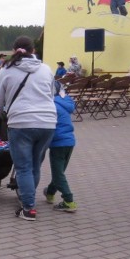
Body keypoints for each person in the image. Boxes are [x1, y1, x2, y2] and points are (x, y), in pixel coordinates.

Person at [0, 36, 56, 221]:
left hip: (21, 122)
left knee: (23, 167)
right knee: (35, 165)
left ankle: (28, 207)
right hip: (47, 122)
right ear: (33, 51)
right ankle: (27, 197)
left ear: (14, 50)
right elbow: (50, 94)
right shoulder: (46, 69)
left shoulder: (7, 70)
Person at [43, 81, 77, 213]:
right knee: (59, 172)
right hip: (69, 141)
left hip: (58, 143)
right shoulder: (63, 102)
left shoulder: (51, 105)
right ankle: (50, 193)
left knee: (58, 175)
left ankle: (69, 201)